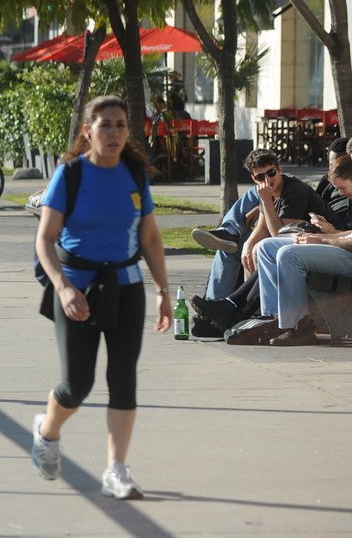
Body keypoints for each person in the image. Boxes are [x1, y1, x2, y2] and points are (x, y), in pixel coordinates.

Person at [31, 95, 171, 500]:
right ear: (88, 131)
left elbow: (150, 238)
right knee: (77, 385)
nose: (113, 132)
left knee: (123, 379)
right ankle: (47, 431)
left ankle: (116, 470)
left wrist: (162, 289)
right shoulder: (70, 175)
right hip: (77, 287)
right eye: (105, 124)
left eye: (121, 125)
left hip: (126, 288)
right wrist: (63, 286)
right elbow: (45, 239)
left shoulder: (134, 173)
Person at [190, 149, 332, 299]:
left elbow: (281, 235)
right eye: (260, 176)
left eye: (271, 173)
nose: (267, 180)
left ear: (279, 170)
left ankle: (244, 307)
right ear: (253, 178)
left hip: (319, 244)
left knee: (257, 249)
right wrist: (248, 244)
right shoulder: (267, 191)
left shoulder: (294, 191)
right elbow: (263, 227)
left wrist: (265, 201)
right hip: (298, 243)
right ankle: (221, 306)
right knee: (237, 247)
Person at [246, 155, 352, 346]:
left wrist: (323, 239)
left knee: (288, 254)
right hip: (341, 248)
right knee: (265, 247)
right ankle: (273, 320)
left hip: (348, 256)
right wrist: (330, 232)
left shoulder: (294, 189)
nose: (341, 193)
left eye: (342, 188)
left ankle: (297, 326)